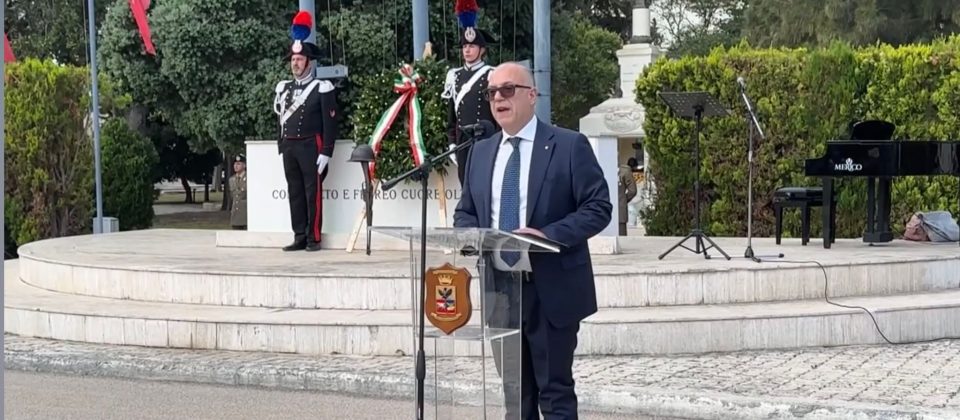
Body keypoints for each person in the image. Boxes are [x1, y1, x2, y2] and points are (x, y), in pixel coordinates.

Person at [454, 62, 612, 419]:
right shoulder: (479, 152)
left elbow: (598, 207)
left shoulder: (569, 145)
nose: (498, 98)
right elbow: (465, 212)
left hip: (550, 287)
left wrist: (547, 236)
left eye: (507, 90)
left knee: (554, 394)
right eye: (492, 92)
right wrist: (470, 237)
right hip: (500, 290)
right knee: (515, 396)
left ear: (531, 95)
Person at [272, 10, 339, 252]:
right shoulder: (284, 88)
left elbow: (330, 122)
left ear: (309, 62)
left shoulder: (322, 87)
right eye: (293, 60)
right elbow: (279, 119)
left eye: (299, 60)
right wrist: (281, 145)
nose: (295, 64)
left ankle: (313, 237)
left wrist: (327, 152)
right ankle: (299, 235)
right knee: (295, 193)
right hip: (290, 146)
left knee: (313, 194)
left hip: (312, 145)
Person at [443, 0, 500, 186]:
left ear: (482, 50)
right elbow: (452, 115)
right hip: (463, 142)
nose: (467, 50)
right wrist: (452, 142)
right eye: (464, 47)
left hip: (486, 140)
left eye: (472, 46)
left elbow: (498, 112)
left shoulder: (491, 74)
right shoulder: (454, 76)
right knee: (466, 189)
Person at [618, 159, 638, 235]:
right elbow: (632, 191)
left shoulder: (597, 169)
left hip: (600, 212)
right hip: (620, 210)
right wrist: (622, 200)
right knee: (621, 241)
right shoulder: (625, 171)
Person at [229, 155, 248, 230]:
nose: (236, 166)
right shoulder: (232, 179)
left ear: (244, 165)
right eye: (235, 164)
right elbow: (233, 196)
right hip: (235, 215)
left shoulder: (249, 178)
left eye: (238, 164)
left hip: (245, 215)